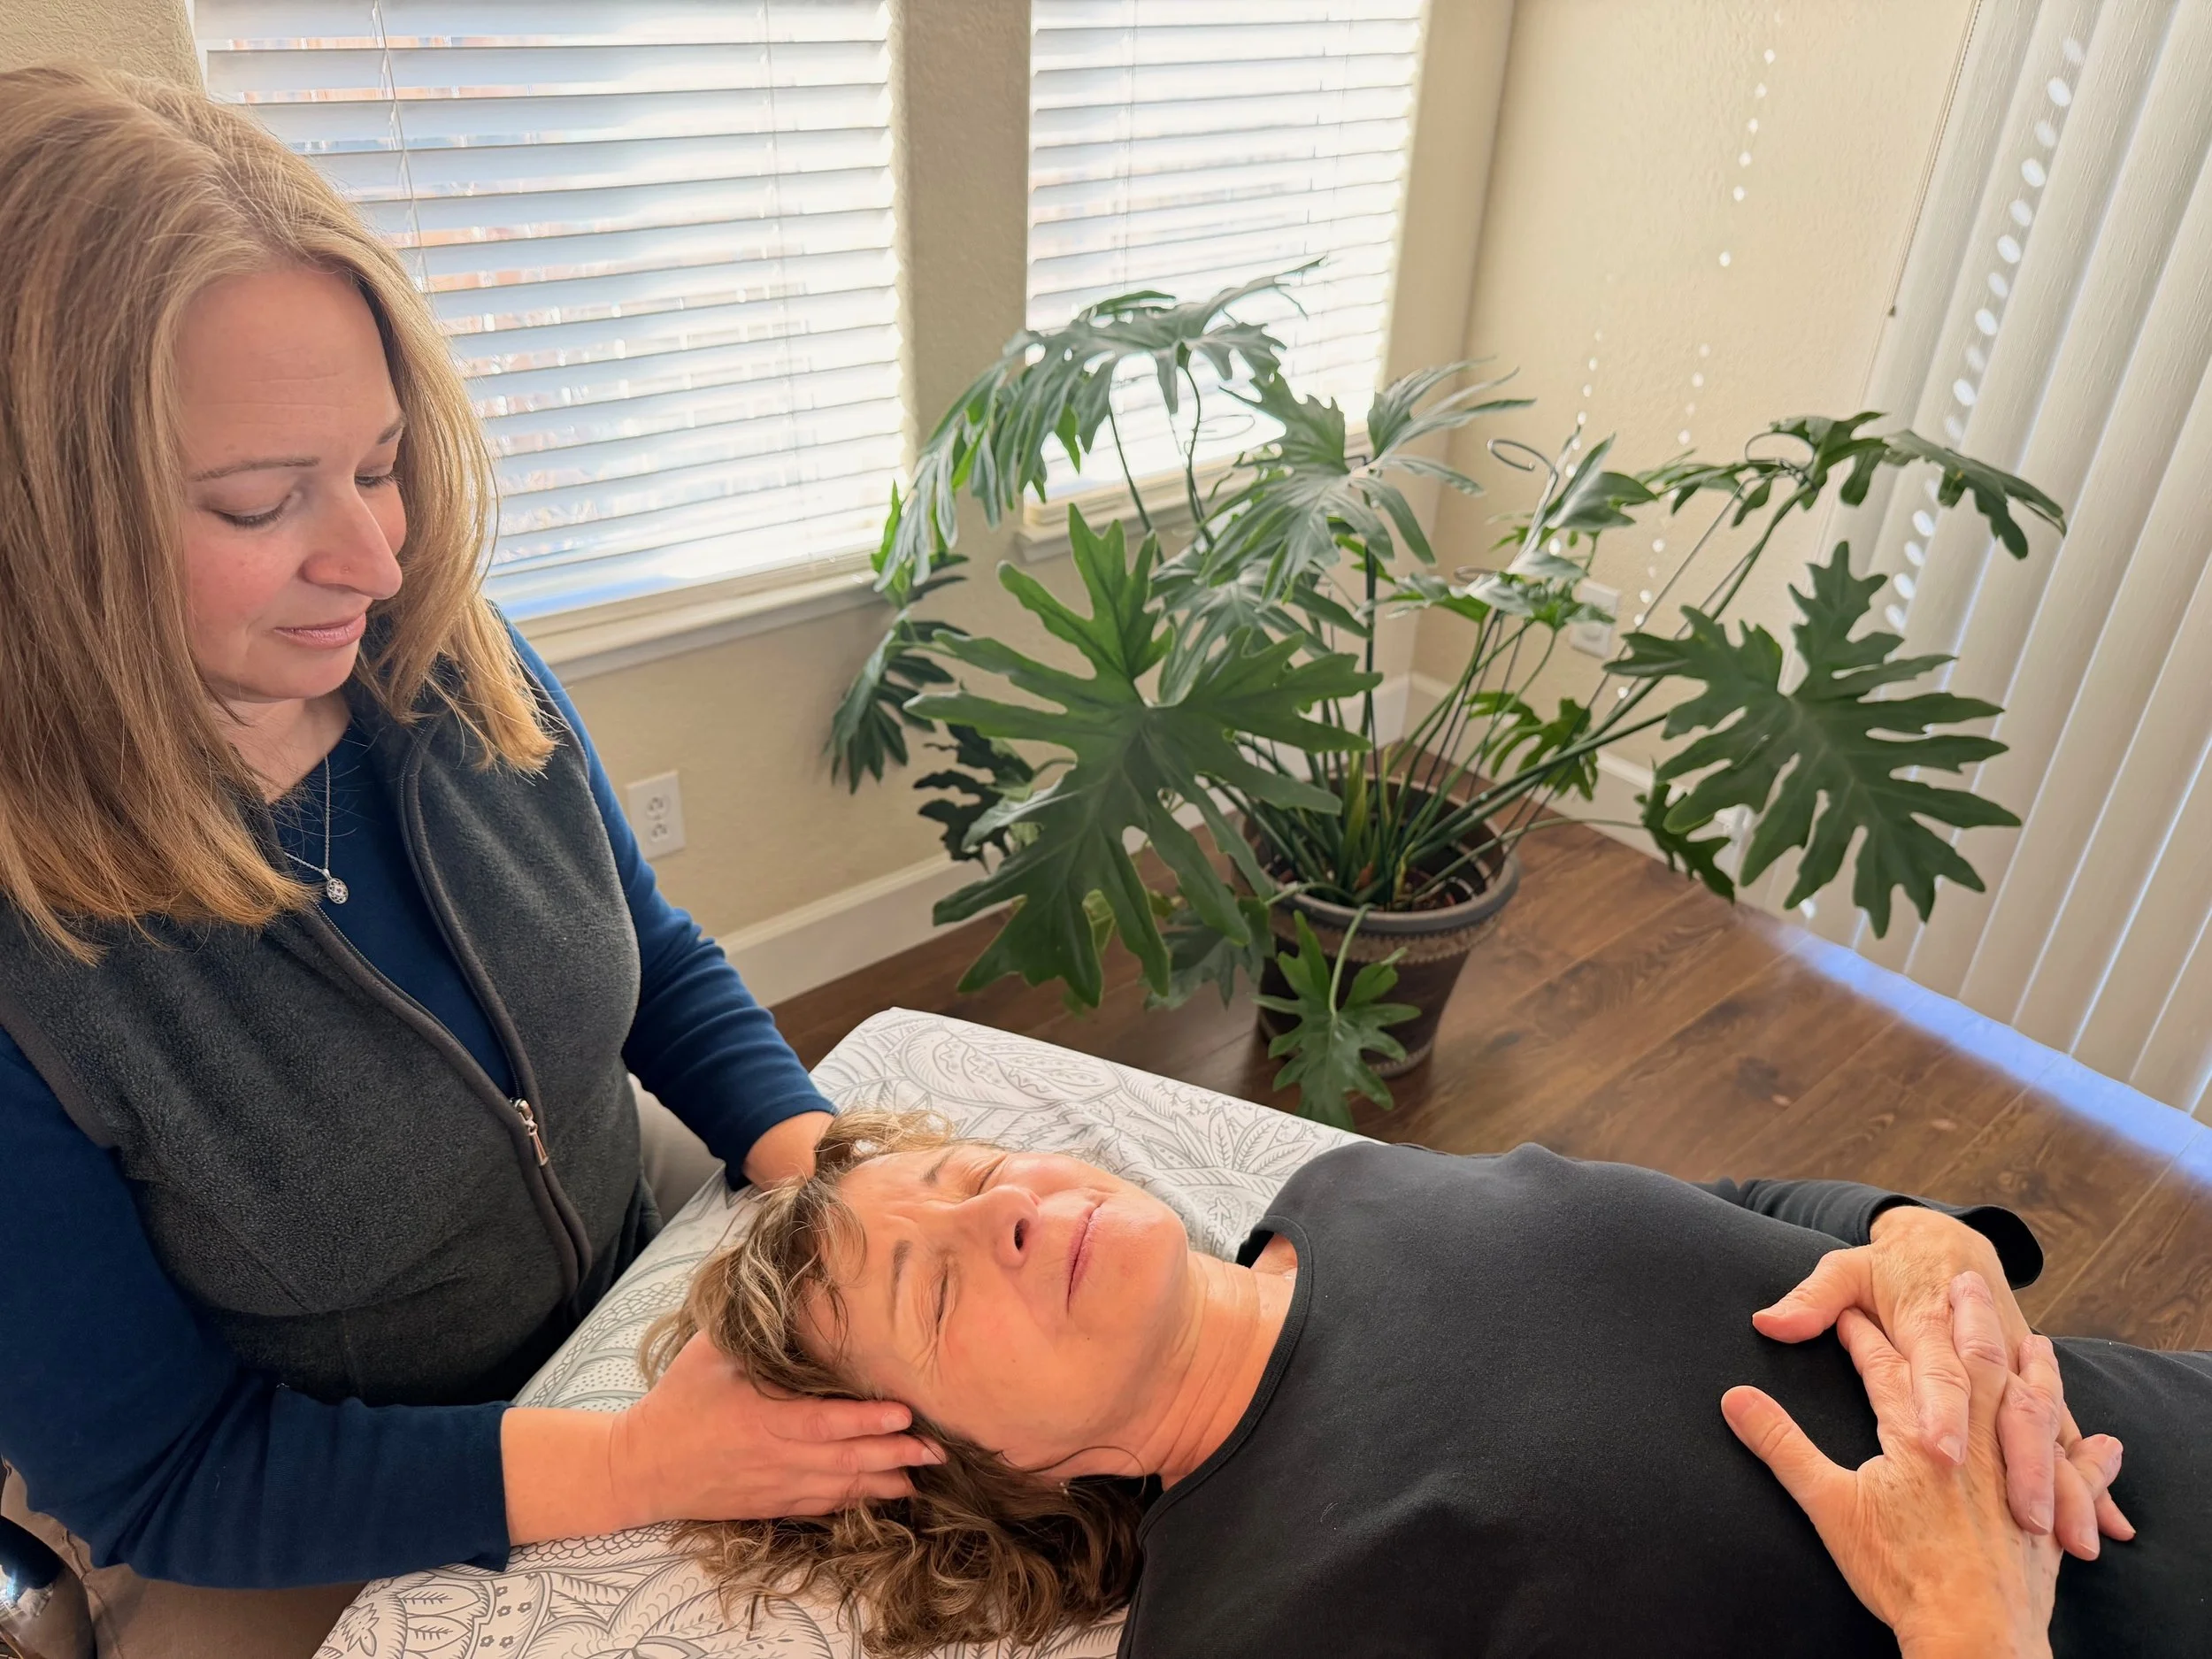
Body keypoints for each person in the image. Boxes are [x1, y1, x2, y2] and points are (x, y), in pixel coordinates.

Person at [0, 65, 941, 1659]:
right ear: (39, 524)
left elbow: (645, 945)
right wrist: (632, 1461)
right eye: (257, 500)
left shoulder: (444, 654)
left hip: (621, 1301)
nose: (376, 558)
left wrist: (825, 1163)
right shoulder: (36, 959)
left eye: (377, 464)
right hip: (294, 1516)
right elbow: (166, 1470)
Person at [654, 1110, 2210, 1659]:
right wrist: (1970, 1627)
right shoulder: (1256, 1629)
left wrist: (1924, 1242)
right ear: (965, 1468)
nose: (998, 1210)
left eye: (974, 1168)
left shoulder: (1342, 1189)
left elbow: (1720, 1208)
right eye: (931, 1288)